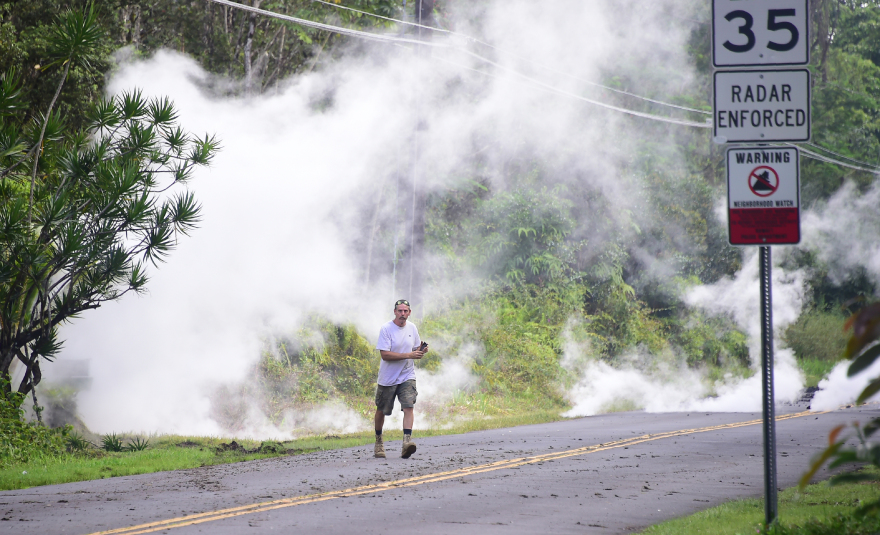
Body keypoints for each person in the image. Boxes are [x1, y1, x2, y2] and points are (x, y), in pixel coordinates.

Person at [373, 299, 427, 459]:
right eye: (400, 311)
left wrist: (421, 350)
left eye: (406, 311)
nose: (403, 314)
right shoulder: (386, 329)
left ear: (409, 312)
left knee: (409, 406)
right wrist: (409, 355)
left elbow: (414, 348)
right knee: (382, 410)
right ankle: (378, 441)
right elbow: (385, 354)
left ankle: (406, 442)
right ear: (395, 312)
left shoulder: (412, 328)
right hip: (388, 378)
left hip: (407, 375)